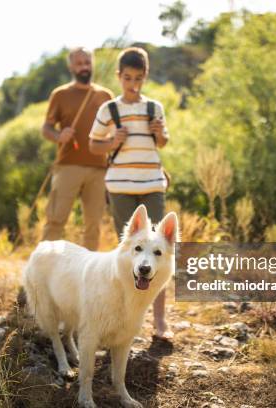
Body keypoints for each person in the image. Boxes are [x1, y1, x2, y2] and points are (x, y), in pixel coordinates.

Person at [88, 47, 173, 340]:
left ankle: (159, 321)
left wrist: (159, 132)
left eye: (138, 78)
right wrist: (112, 141)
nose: (133, 84)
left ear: (145, 76)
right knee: (131, 253)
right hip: (121, 187)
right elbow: (93, 146)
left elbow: (162, 142)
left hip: (152, 184)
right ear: (119, 76)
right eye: (127, 78)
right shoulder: (108, 110)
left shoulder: (154, 108)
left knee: (158, 252)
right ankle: (125, 317)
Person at [41, 47, 113, 251]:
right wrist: (58, 135)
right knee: (56, 219)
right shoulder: (60, 94)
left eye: (87, 62)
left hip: (99, 168)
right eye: (79, 63)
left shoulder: (105, 95)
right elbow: (46, 128)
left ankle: (87, 276)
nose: (84, 67)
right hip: (67, 166)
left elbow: (114, 130)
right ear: (71, 66)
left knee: (93, 225)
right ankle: (42, 271)